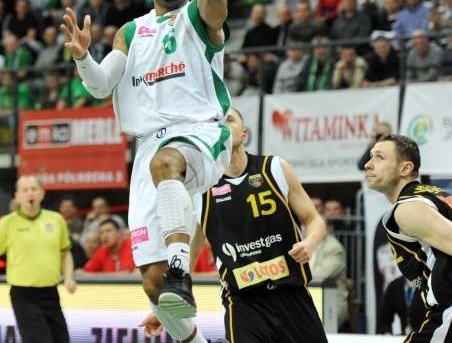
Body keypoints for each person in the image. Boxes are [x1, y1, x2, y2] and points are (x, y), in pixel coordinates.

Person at [62, 0, 232, 340]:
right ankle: (189, 330)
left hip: (199, 131)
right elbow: (101, 86)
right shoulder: (131, 33)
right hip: (148, 153)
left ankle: (183, 267)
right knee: (154, 285)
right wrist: (83, 57)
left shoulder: (199, 16)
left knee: (168, 162)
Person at [139, 108, 328, 342]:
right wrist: (168, 310)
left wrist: (310, 242)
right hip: (243, 304)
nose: (223, 125)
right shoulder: (201, 189)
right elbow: (191, 251)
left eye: (230, 119)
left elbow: (314, 219)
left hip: (293, 295)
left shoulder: (275, 168)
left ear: (244, 134)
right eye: (217, 122)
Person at [365, 134, 452, 341]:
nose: (368, 164)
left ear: (405, 169)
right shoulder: (435, 195)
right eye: (371, 156)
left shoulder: (409, 208)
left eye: (379, 157)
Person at [0, 175, 76, 343]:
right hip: (23, 295)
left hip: (51, 293)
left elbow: (65, 252)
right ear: (17, 196)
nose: (30, 193)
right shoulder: (7, 223)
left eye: (33, 189)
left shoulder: (56, 219)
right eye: (24, 190)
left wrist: (68, 277)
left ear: (42, 193)